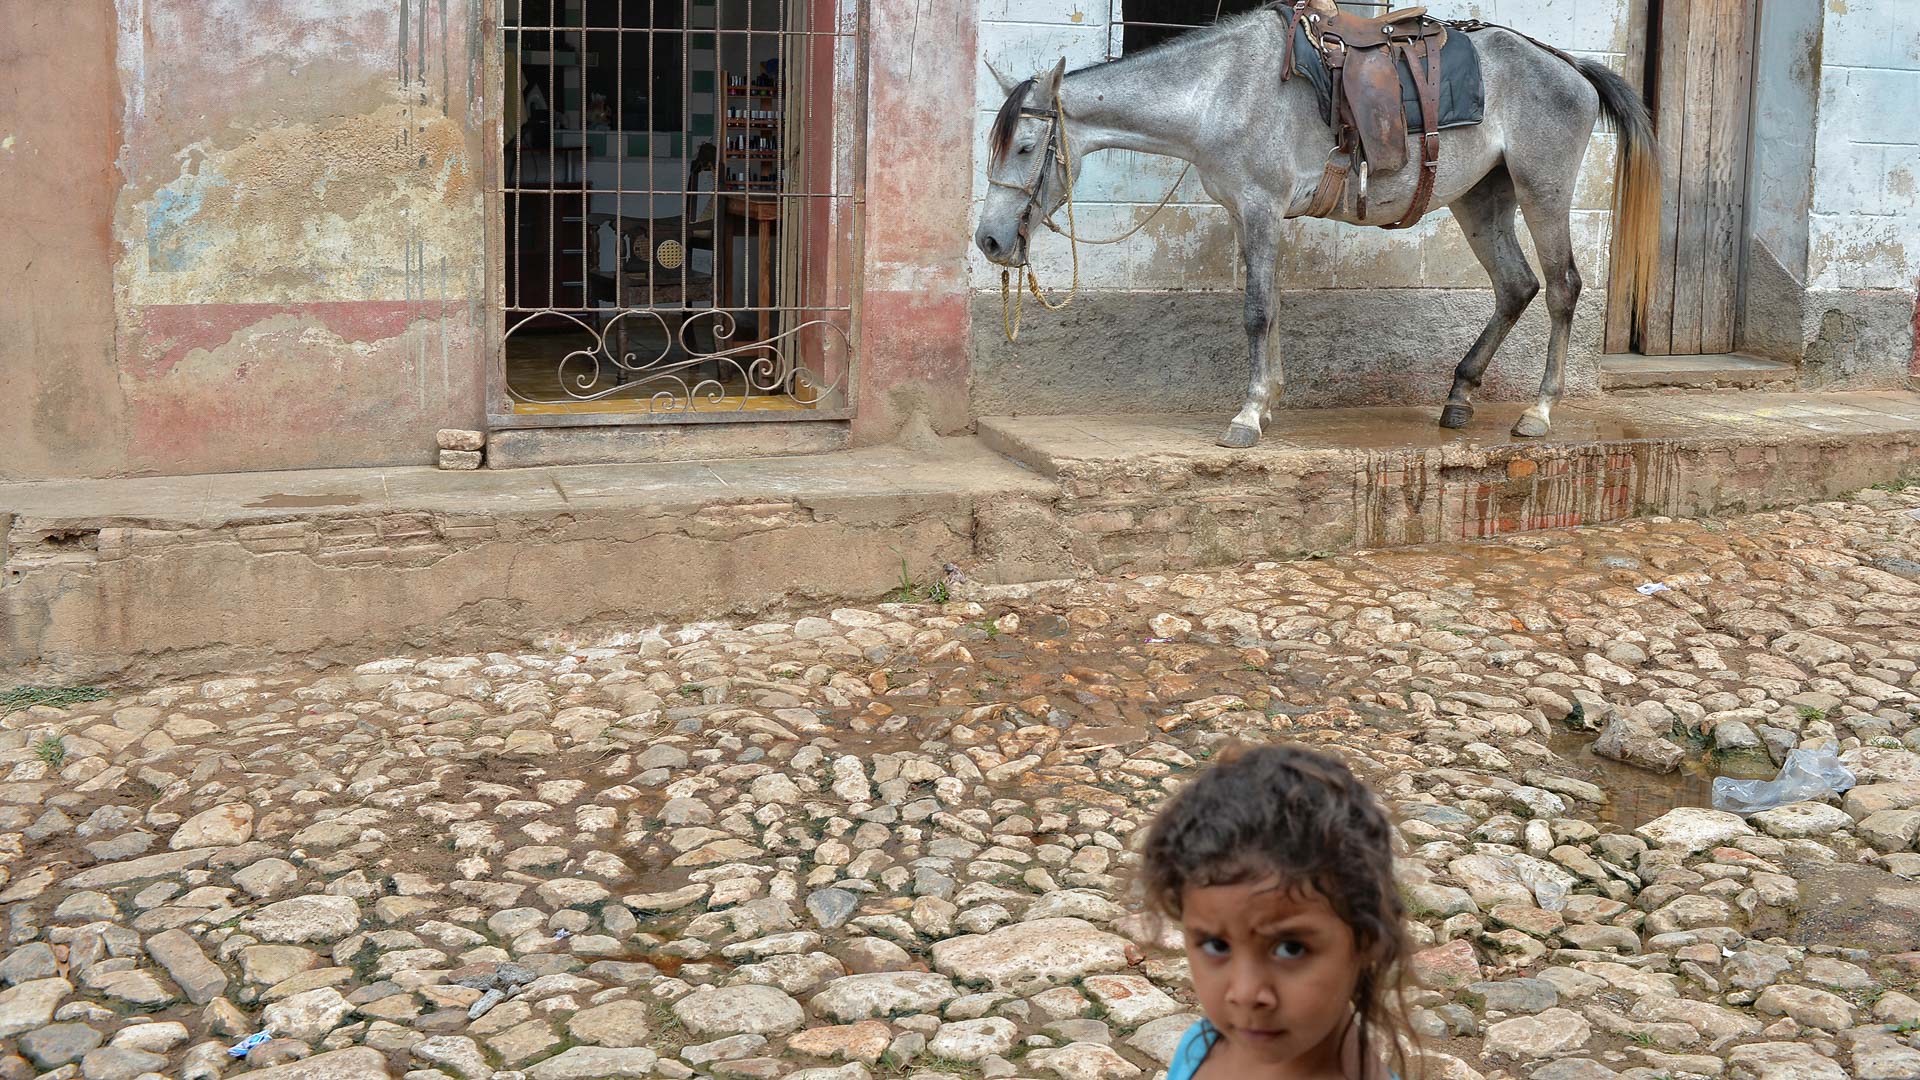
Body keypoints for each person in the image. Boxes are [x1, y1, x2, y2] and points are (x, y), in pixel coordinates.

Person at [1139, 743, 1416, 1080]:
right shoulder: (1200, 1048)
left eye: (1291, 948)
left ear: (1368, 939)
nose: (1245, 994)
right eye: (1216, 945)